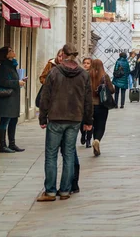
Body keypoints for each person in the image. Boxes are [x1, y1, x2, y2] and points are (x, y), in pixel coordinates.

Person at [37, 43, 92, 202]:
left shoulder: (54, 72)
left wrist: (42, 118)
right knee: (68, 154)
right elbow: (87, 100)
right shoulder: (83, 74)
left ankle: (50, 191)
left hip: (56, 117)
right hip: (74, 119)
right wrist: (88, 121)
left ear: (63, 55)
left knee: (51, 154)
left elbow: (45, 97)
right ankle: (65, 190)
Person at [0, 46, 27, 153]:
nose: (13, 51)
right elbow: (3, 82)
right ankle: (3, 145)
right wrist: (17, 82)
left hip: (13, 98)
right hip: (6, 99)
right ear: (6, 55)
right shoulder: (4, 67)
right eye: (10, 51)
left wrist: (20, 81)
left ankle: (12, 144)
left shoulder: (12, 65)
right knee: (5, 121)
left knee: (13, 120)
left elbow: (11, 80)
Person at [89, 59, 114, 157]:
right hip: (102, 105)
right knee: (101, 125)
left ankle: (94, 140)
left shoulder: (87, 75)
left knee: (94, 125)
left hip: (90, 105)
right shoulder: (104, 76)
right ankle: (97, 140)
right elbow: (111, 90)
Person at [80, 57, 92, 148]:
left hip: (91, 101)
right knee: (81, 121)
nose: (86, 65)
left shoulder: (93, 74)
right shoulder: (80, 74)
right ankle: (83, 134)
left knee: (91, 121)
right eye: (84, 63)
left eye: (88, 63)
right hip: (81, 101)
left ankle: (88, 139)